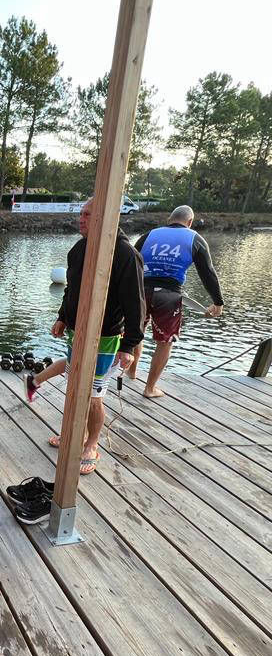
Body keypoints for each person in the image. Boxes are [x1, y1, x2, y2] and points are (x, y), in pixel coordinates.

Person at [23, 197, 145, 475]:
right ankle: (73, 433)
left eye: (88, 214)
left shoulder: (124, 253)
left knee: (93, 394)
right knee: (75, 386)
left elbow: (136, 303)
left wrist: (129, 346)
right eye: (81, 214)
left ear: (106, 217)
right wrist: (62, 317)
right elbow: (71, 289)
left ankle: (91, 443)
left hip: (106, 336)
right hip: (77, 331)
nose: (81, 219)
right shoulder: (79, 249)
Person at [130, 205, 224, 397]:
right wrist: (218, 301)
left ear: (169, 219)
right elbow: (208, 273)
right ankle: (149, 388)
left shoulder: (149, 235)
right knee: (165, 342)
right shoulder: (195, 238)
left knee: (137, 332)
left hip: (141, 291)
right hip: (169, 295)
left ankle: (131, 371)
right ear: (190, 222)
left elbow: (130, 262)